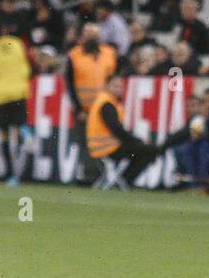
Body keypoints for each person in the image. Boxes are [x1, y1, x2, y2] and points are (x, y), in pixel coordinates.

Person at [86, 72, 167, 185]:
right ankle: (125, 180)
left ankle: (123, 180)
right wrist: (139, 141)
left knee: (145, 150)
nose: (118, 89)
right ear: (107, 86)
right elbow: (117, 130)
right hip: (107, 148)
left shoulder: (105, 101)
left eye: (120, 86)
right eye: (115, 86)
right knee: (151, 150)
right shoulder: (107, 103)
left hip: (102, 146)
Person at [0, 21, 33, 186]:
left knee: (3, 135)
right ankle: (23, 128)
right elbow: (31, 65)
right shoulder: (18, 44)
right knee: (17, 130)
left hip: (0, 96)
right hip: (18, 93)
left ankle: (11, 175)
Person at [66, 23, 119, 182]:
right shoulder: (74, 55)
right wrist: (77, 108)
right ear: (83, 37)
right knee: (85, 143)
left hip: (105, 107)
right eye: (89, 34)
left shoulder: (110, 54)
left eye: (95, 34)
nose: (93, 38)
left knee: (105, 140)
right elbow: (70, 83)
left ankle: (103, 175)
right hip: (85, 108)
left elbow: (115, 79)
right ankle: (89, 176)